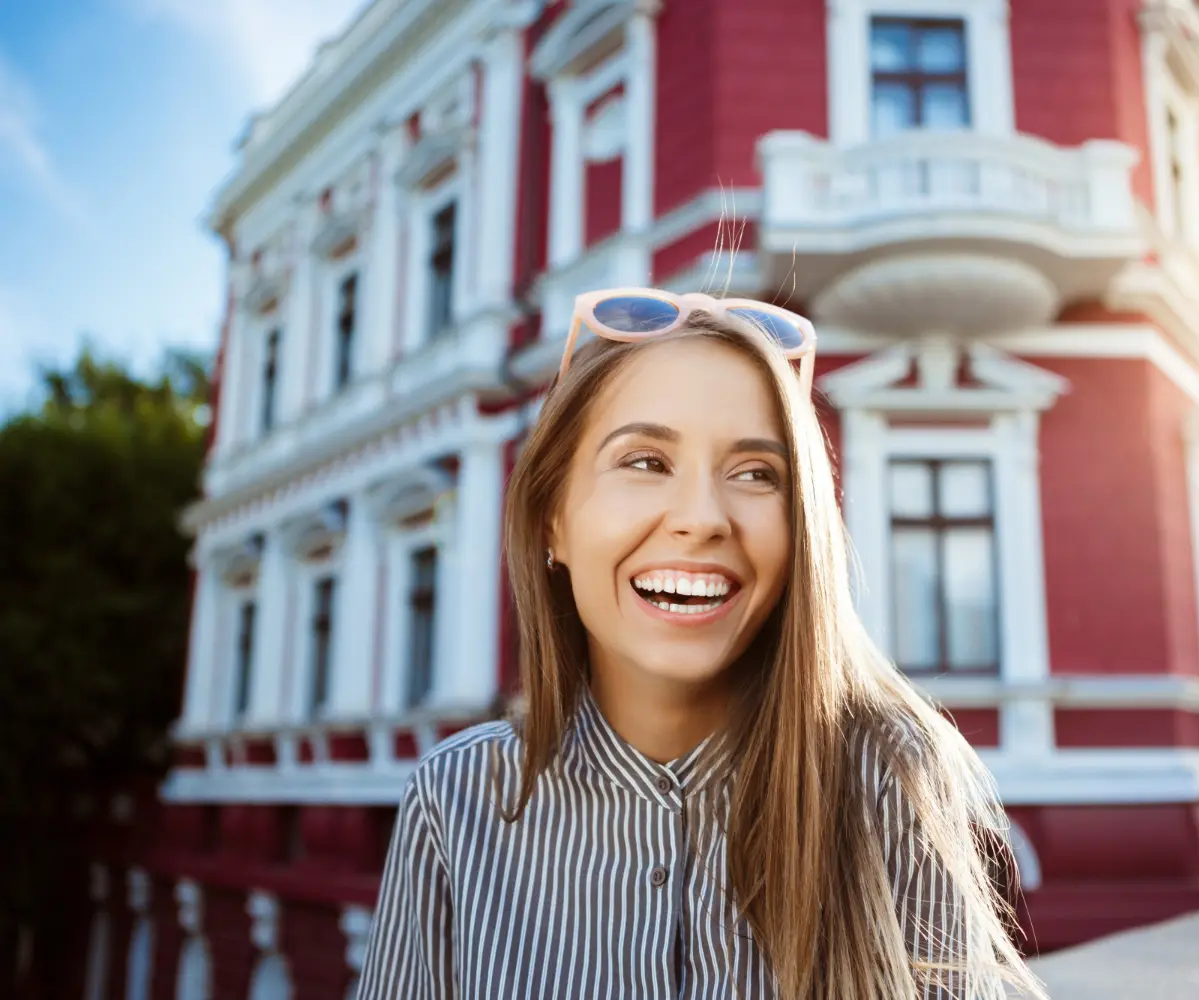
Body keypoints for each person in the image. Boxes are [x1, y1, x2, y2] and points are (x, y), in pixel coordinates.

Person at [356, 289, 1046, 999]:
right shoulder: (455, 798)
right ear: (550, 522)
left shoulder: (892, 783)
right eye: (646, 462)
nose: (701, 518)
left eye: (756, 474)